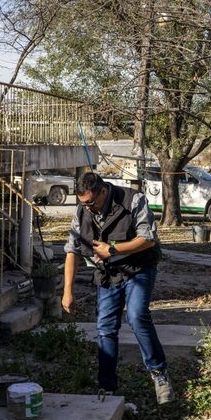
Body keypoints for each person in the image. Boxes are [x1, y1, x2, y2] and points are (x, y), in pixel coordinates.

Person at [62, 171, 174, 405]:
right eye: (82, 203)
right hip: (108, 275)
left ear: (103, 191)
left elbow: (148, 238)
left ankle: (159, 374)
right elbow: (71, 251)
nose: (87, 208)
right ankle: (106, 387)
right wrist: (67, 291)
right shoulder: (83, 210)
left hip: (138, 269)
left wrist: (112, 249)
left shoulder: (133, 200)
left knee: (136, 316)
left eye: (91, 202)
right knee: (105, 328)